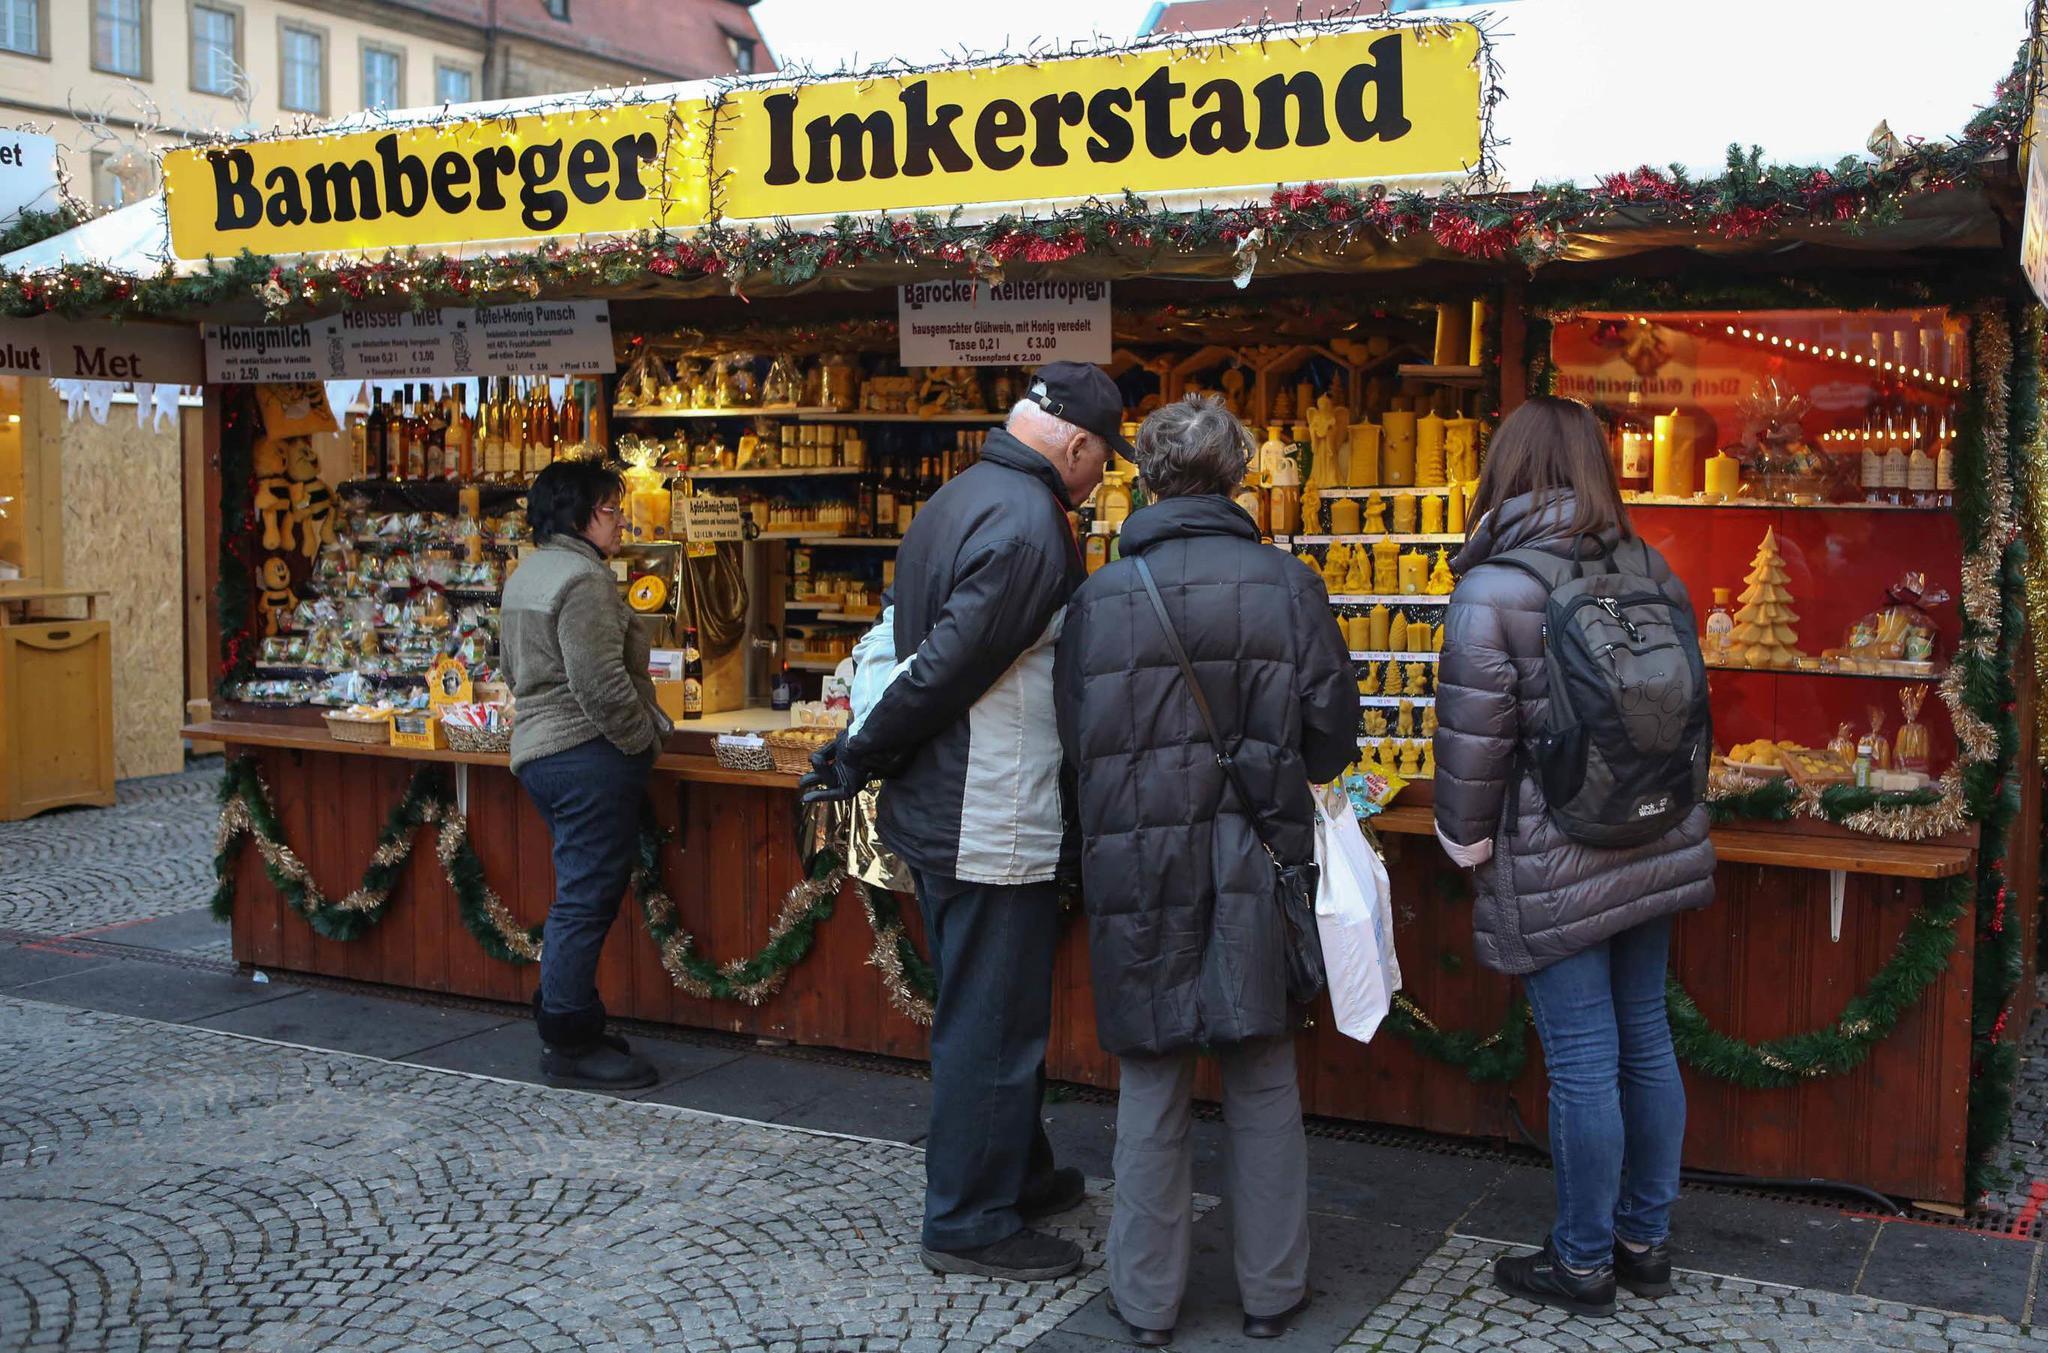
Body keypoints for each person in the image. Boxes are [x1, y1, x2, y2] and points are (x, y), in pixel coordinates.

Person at [801, 361, 1121, 1282]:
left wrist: (870, 750)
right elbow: (946, 667)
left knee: (989, 1004)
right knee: (992, 1019)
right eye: (1102, 457)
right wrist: (859, 751)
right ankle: (970, 1217)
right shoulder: (1030, 528)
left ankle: (1016, 1172)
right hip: (991, 809)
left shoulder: (961, 497)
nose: (1103, 476)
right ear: (1073, 442)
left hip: (950, 803)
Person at [1054, 395, 1356, 1345]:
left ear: (1144, 476)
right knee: (1263, 1074)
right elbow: (1331, 738)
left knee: (1151, 1082)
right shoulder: (1287, 584)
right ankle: (1273, 1293)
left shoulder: (1100, 596)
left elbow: (1076, 743)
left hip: (1137, 866)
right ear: (1237, 477)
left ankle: (1146, 1303)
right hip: (1254, 861)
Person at [1432, 396, 1717, 1317]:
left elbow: (1474, 739)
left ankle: (1584, 1259)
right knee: (1646, 1036)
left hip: (1556, 855)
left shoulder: (1493, 587)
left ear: (1508, 468)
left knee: (1586, 1059)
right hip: (1654, 833)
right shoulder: (1652, 567)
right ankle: (1645, 1237)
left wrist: (1463, 835)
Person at [501, 457, 672, 1091]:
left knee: (580, 889)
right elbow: (599, 684)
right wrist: (639, 744)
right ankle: (568, 1040)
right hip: (586, 753)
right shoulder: (585, 581)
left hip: (541, 750)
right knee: (585, 898)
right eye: (609, 508)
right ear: (578, 515)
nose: (620, 518)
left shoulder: (528, 573)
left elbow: (513, 671)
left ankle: (574, 1018)